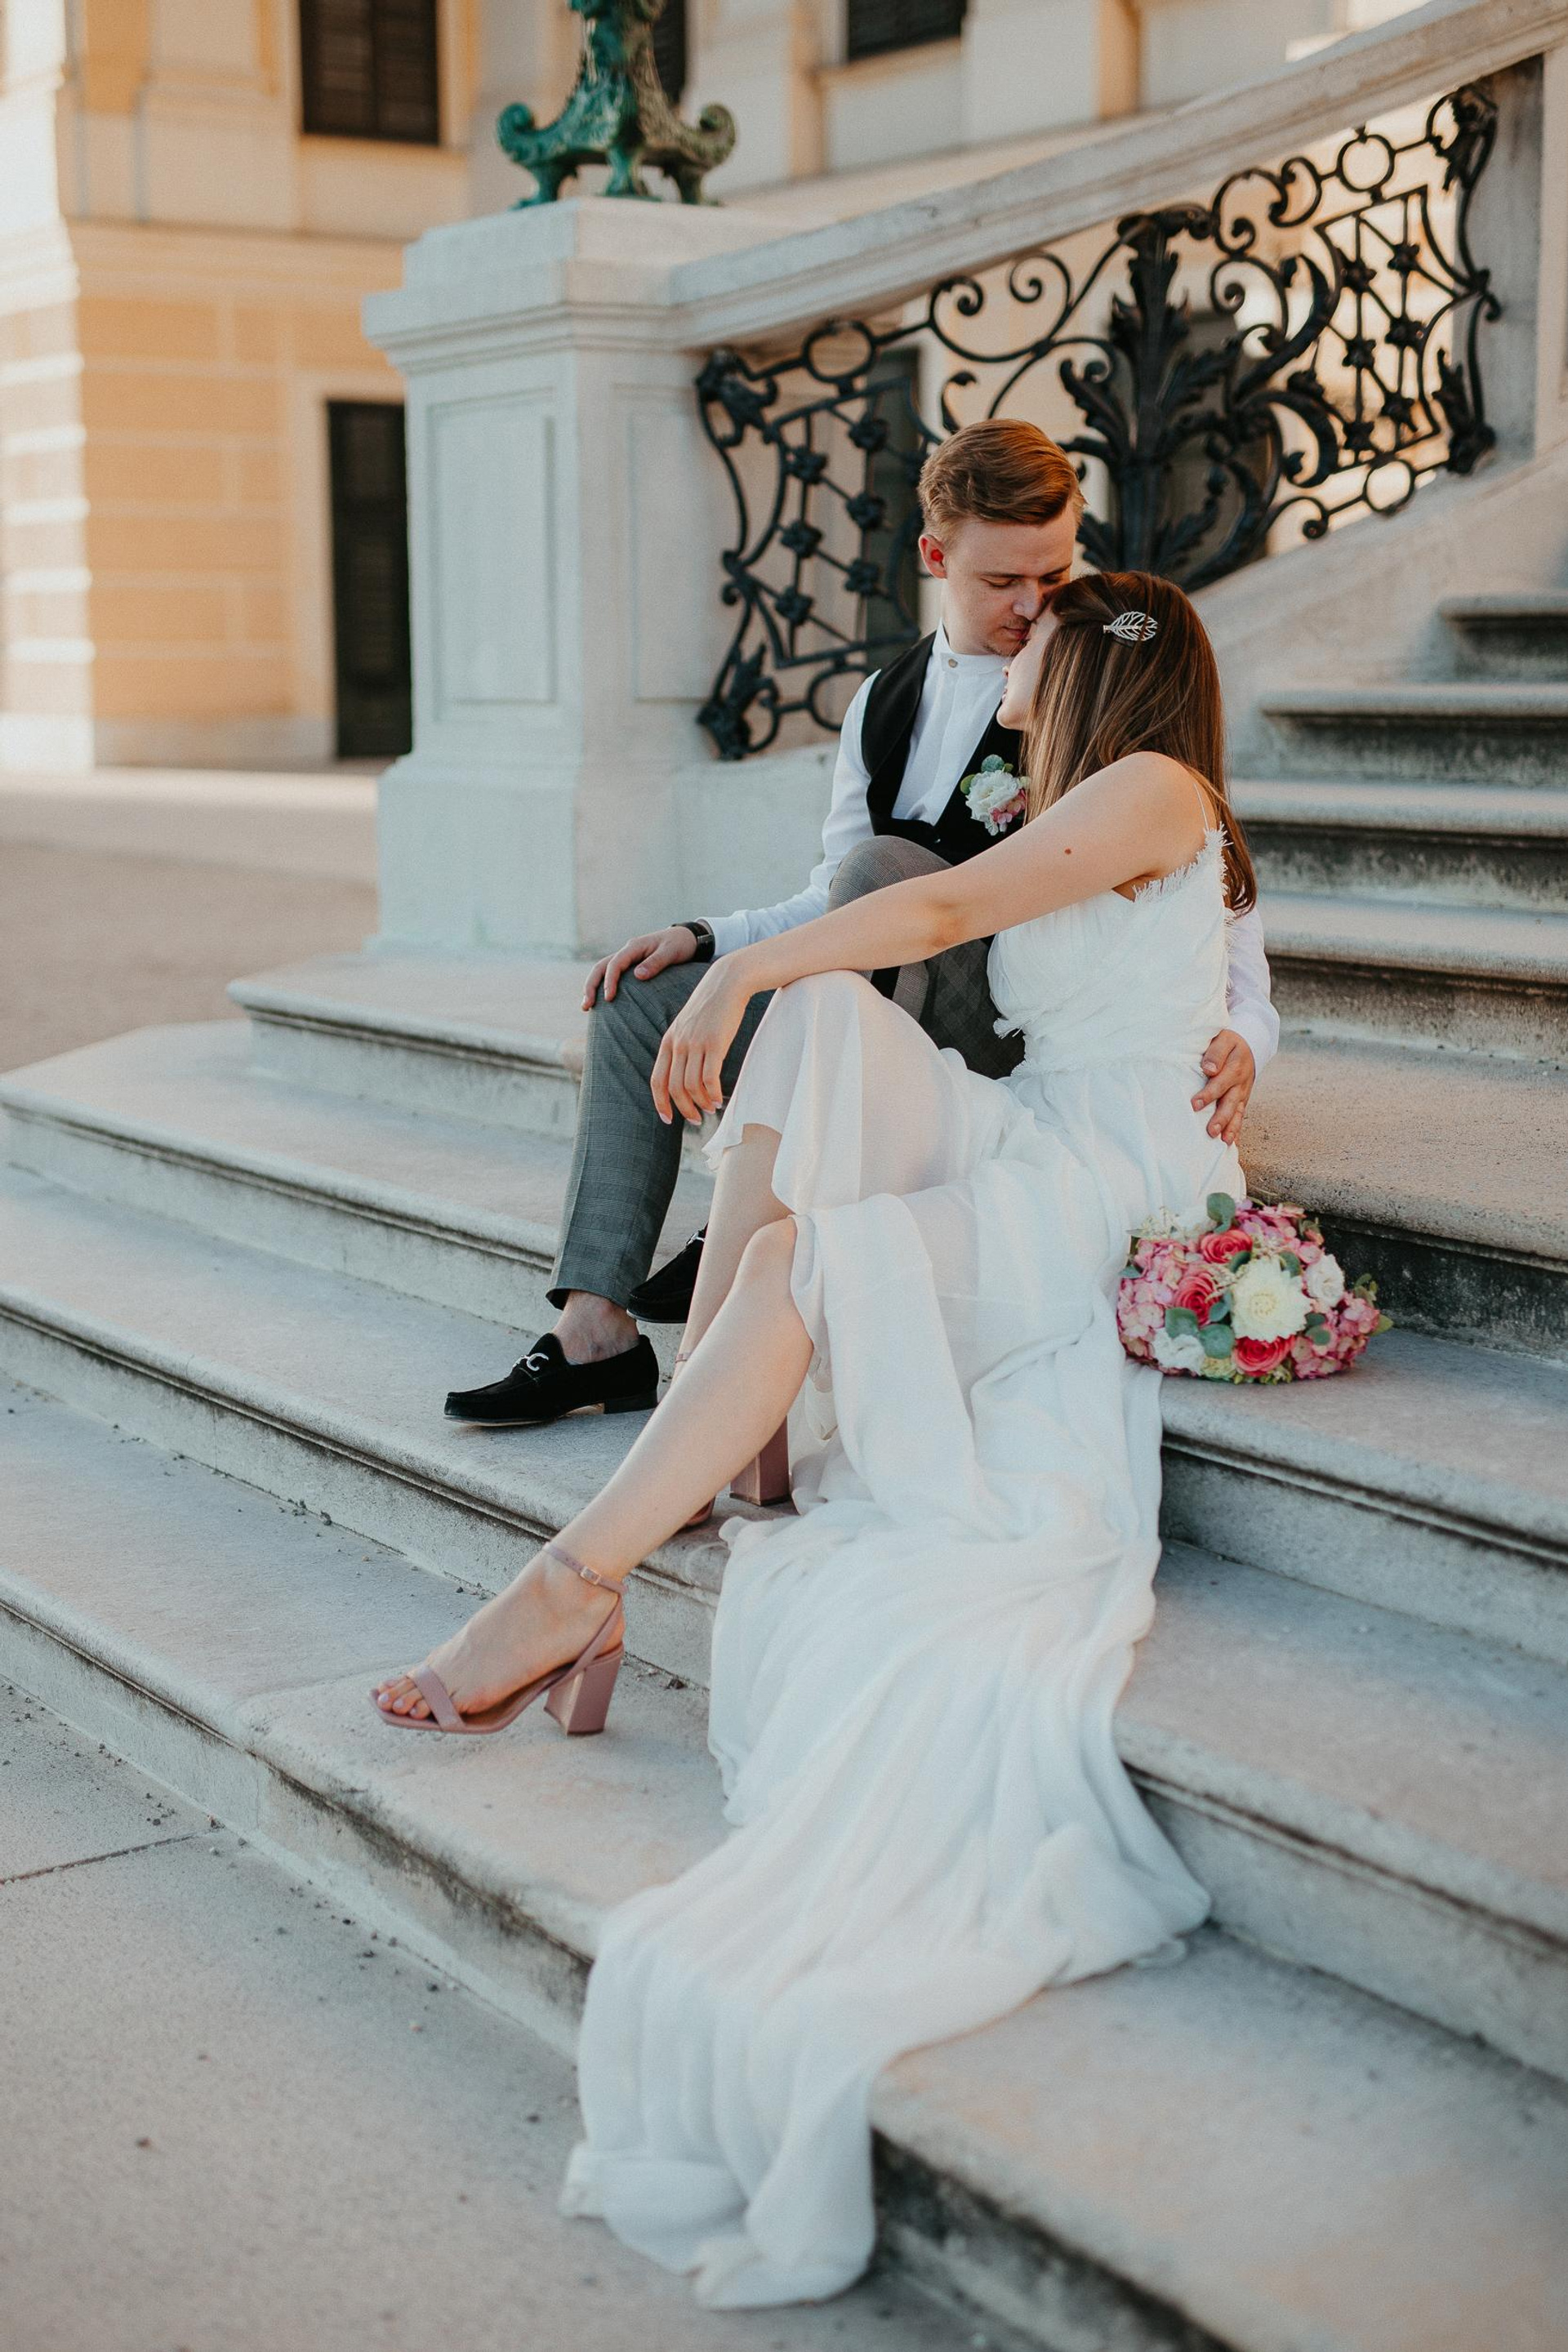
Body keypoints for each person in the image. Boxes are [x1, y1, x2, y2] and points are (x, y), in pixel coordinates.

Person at [373, 569, 1258, 2310]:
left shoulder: (1158, 789)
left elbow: (955, 911)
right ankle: (715, 1441)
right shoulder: (1081, 790)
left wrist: (745, 972)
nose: (1008, 657)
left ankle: (583, 1573)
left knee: (802, 1226)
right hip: (1035, 1126)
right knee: (833, 1029)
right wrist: (753, 968)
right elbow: (933, 918)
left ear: (1102, 662)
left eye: (1037, 638)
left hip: (1115, 1177)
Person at [442, 420, 1276, 1432]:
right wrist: (710, 940)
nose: (1031, 607)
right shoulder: (884, 700)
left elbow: (1212, 902)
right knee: (637, 1000)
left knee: (886, 871)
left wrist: (1248, 1031)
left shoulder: (1097, 678)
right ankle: (595, 1334)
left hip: (1007, 1023)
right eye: (1002, 581)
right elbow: (831, 892)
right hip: (884, 982)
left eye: (1053, 576)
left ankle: (772, 1177)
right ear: (934, 557)